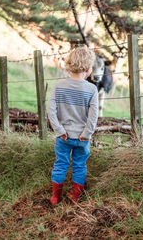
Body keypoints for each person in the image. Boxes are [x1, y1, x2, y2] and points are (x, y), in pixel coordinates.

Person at [47, 46, 99, 206]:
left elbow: (51, 110)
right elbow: (93, 115)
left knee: (61, 164)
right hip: (82, 137)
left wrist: (59, 130)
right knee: (79, 165)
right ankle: (76, 196)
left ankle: (55, 197)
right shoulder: (92, 89)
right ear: (88, 69)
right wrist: (86, 133)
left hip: (63, 137)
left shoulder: (59, 85)